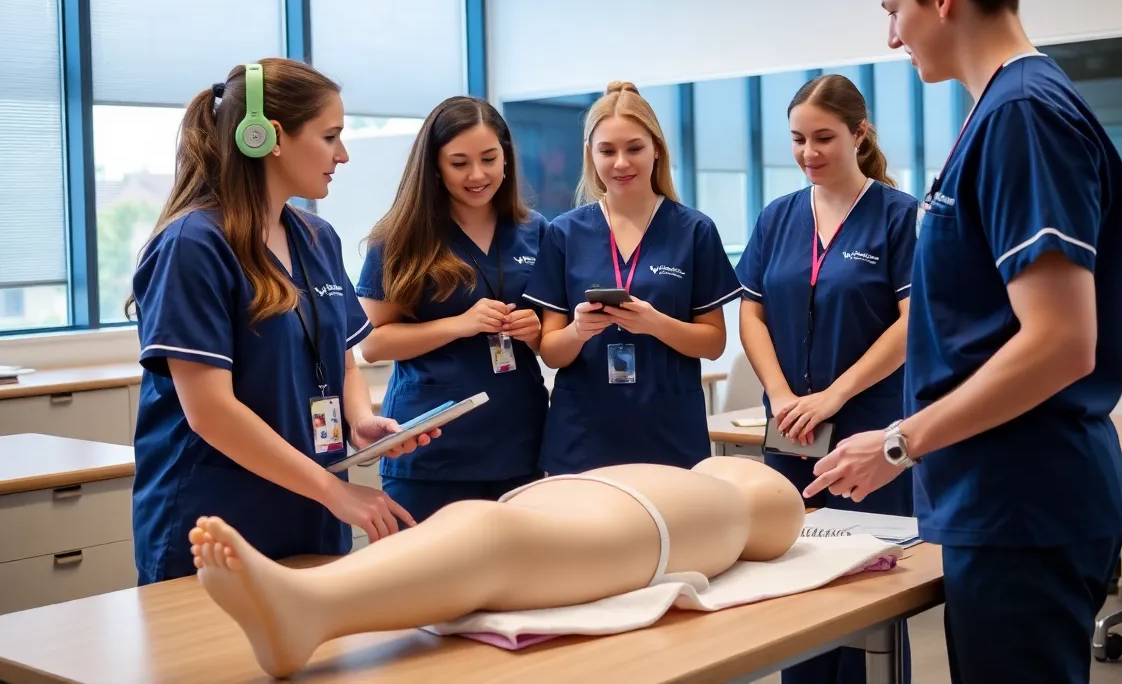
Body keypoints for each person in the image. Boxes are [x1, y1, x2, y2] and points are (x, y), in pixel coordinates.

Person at [805, 0, 1122, 684]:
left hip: (1027, 500)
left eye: (894, 10)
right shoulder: (1001, 112)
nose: (892, 36)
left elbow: (1061, 343)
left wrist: (899, 441)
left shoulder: (1023, 115)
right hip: (1002, 497)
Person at [128, 59, 435, 585]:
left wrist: (361, 423)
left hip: (311, 511)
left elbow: (343, 365)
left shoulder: (317, 239)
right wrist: (333, 490)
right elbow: (211, 413)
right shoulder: (194, 246)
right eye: (330, 136)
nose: (343, 154)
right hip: (217, 514)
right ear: (267, 137)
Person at [189, 455, 806, 678]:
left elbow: (785, 512)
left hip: (631, 529)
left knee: (487, 536)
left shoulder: (747, 511)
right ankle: (307, 603)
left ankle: (310, 607)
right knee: (479, 533)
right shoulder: (724, 499)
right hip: (590, 507)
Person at [736, 74, 917, 684]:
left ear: (859, 133)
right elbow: (752, 312)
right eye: (797, 140)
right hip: (791, 430)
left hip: (868, 432)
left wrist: (835, 395)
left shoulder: (898, 216)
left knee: (868, 587)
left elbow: (911, 324)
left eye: (823, 138)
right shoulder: (778, 216)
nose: (809, 153)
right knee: (797, 586)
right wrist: (785, 396)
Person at [523, 81, 743, 474]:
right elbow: (551, 351)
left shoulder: (694, 231)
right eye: (607, 151)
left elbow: (713, 343)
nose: (621, 163)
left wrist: (653, 323)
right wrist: (578, 331)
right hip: (584, 435)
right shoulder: (565, 233)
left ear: (656, 148)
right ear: (590, 154)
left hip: (668, 430)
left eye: (634, 148)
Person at [357, 96, 549, 523]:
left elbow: (556, 334)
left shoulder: (536, 231)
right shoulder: (399, 238)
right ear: (435, 166)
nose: (477, 175)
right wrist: (458, 325)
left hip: (519, 439)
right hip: (430, 449)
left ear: (506, 159)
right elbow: (372, 344)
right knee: (430, 581)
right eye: (459, 162)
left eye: (489, 158)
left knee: (518, 580)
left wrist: (536, 331)